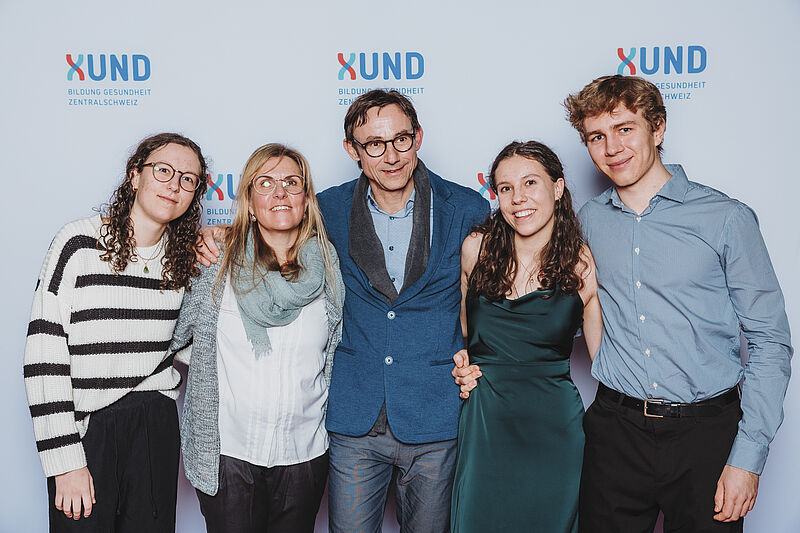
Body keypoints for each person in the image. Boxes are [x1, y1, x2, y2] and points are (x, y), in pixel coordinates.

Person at [196, 89, 489, 532]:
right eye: (374, 144)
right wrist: (222, 232)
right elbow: (273, 224)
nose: (391, 156)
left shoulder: (467, 208)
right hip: (354, 416)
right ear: (352, 150)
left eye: (401, 140)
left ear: (418, 137)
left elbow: (498, 293)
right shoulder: (326, 210)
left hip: (434, 413)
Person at [23, 132, 208, 532]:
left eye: (188, 179)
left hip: (155, 424)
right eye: (163, 171)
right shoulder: (79, 243)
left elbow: (196, 344)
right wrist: (65, 461)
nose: (175, 185)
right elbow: (43, 355)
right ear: (134, 176)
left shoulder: (186, 260)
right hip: (88, 428)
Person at [170, 143, 345, 533]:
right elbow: (178, 337)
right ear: (249, 202)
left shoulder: (330, 269)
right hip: (229, 453)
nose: (280, 192)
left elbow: (335, 348)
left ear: (306, 200)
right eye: (265, 183)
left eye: (292, 183)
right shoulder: (216, 263)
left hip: (304, 452)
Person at [449, 141, 601, 533]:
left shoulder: (581, 262)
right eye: (506, 188)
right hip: (486, 422)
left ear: (558, 187)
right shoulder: (476, 249)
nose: (518, 198)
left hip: (553, 429)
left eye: (530, 183)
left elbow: (606, 360)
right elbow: (460, 334)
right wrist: (460, 362)